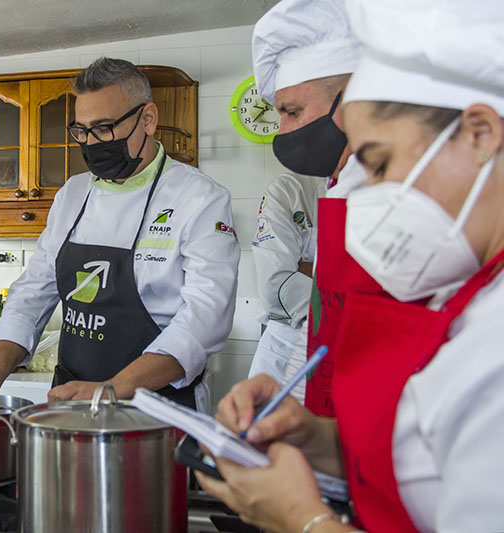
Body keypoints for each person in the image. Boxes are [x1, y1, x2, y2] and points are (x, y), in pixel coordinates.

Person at [198, 1, 504, 531]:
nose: (368, 195)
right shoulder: (469, 295)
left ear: (480, 134)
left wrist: (303, 520)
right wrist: (317, 438)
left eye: (378, 164)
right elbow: (426, 461)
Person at [0, 58, 240, 410]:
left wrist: (113, 388)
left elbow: (204, 320)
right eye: (81, 131)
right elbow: (33, 293)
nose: (91, 143)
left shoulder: (200, 198)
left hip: (160, 410)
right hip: (71, 403)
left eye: (103, 128)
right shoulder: (72, 194)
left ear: (148, 119)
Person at [251, 0, 374, 416]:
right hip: (305, 354)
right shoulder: (336, 187)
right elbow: (316, 299)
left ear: (351, 98)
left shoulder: (380, 191)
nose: (282, 131)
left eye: (292, 112)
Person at [249, 172, 325, 402]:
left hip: (355, 351)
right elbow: (274, 283)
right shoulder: (288, 189)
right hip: (284, 348)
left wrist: (307, 270)